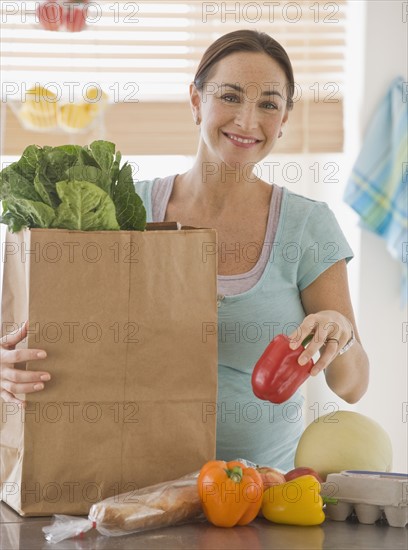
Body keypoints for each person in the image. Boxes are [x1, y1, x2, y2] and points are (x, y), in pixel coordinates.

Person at [0, 30, 369, 471]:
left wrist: (339, 331)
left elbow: (352, 387)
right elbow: (54, 331)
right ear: (196, 102)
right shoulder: (121, 209)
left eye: (269, 104)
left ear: (285, 119)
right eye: (230, 97)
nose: (248, 121)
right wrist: (7, 365)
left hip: (255, 499)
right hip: (124, 487)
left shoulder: (308, 225)